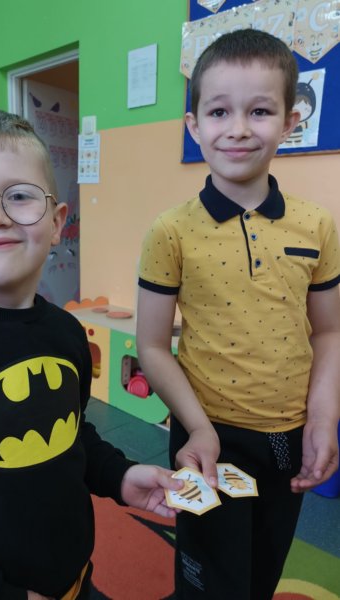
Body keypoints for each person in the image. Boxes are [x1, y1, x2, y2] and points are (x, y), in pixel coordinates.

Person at [0, 108, 183, 600]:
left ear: (56, 222)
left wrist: (120, 476)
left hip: (75, 581)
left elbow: (68, 432)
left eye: (19, 195)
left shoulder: (66, 333)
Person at [136, 29, 340, 600]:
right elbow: (151, 345)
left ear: (291, 121)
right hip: (207, 433)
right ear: (194, 124)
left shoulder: (317, 225)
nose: (240, 128)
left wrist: (323, 418)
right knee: (208, 580)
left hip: (289, 433)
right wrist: (198, 427)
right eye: (220, 111)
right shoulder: (171, 230)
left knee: (262, 572)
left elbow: (330, 330)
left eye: (260, 111)